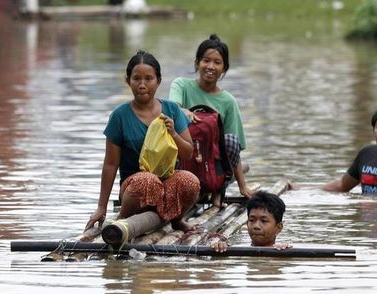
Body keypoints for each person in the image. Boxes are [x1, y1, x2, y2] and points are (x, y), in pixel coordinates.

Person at [86, 50, 200, 232]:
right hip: (136, 189)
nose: (142, 84)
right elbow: (110, 164)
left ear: (158, 81)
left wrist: (174, 134)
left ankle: (176, 219)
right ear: (128, 81)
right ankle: (124, 220)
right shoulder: (120, 116)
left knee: (190, 181)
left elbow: (188, 152)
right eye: (136, 79)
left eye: (149, 79)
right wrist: (102, 207)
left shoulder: (172, 110)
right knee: (148, 181)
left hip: (167, 185)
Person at [169, 34, 253, 207]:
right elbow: (172, 110)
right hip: (184, 160)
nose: (210, 66)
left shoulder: (228, 101)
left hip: (212, 168)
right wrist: (183, 111)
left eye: (217, 62)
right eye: (206, 61)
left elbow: (234, 150)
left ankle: (216, 192)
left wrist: (242, 186)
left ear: (224, 69)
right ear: (197, 63)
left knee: (230, 140)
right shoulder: (181, 85)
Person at [212, 191, 291, 252]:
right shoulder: (233, 250)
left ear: (278, 227)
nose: (256, 226)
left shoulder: (284, 251)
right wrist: (220, 249)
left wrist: (285, 252)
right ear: (247, 223)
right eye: (252, 220)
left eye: (264, 221)